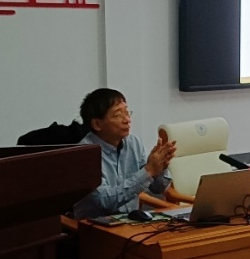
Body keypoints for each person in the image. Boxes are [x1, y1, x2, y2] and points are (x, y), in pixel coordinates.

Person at [72, 88, 176, 219]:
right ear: (97, 124)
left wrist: (161, 168)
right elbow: (105, 201)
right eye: (118, 115)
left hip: (131, 222)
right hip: (96, 225)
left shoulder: (134, 143)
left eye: (127, 112)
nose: (127, 119)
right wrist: (148, 171)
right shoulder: (83, 154)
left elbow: (158, 188)